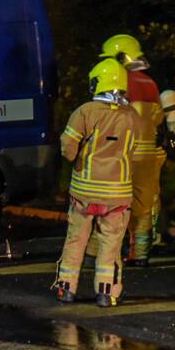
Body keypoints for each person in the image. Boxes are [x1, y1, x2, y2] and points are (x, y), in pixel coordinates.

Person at [54, 58, 141, 307]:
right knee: (111, 247)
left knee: (76, 241)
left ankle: (66, 289)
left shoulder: (85, 112)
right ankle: (106, 293)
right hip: (118, 196)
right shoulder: (132, 116)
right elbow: (133, 150)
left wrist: (77, 160)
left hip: (85, 193)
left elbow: (67, 148)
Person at [95, 34, 166, 267]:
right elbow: (157, 119)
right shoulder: (151, 84)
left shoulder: (117, 82)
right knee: (143, 206)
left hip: (123, 154)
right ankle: (141, 255)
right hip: (147, 155)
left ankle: (94, 254)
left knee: (107, 204)